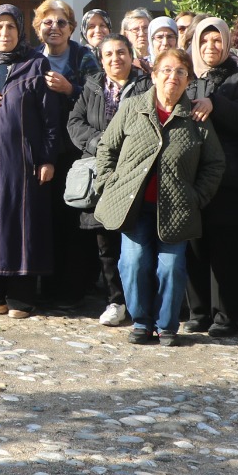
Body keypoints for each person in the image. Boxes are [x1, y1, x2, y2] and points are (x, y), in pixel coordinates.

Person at [94, 46, 225, 345]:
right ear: (153, 76)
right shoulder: (132, 107)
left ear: (188, 80)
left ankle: (166, 326)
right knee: (134, 261)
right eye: (165, 70)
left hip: (176, 208)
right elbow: (106, 149)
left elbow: (215, 163)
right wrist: (108, 185)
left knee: (171, 267)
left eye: (180, 72)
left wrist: (196, 197)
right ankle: (141, 321)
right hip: (134, 206)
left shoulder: (196, 116)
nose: (172, 77)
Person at [0, 5, 66, 318]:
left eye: (10, 27)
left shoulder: (36, 64)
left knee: (20, 224)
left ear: (19, 31)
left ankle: (21, 295)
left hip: (22, 163)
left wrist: (47, 158)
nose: (4, 34)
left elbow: (51, 118)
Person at [183, 18, 238, 337]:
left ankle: (226, 317)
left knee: (225, 250)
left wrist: (215, 104)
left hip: (228, 178)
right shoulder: (187, 77)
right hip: (191, 175)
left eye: (217, 41)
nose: (210, 47)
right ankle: (198, 312)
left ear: (228, 43)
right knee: (194, 247)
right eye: (204, 41)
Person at [70, 34, 151, 327]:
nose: (115, 59)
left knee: (136, 242)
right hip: (101, 173)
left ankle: (139, 302)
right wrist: (99, 143)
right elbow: (75, 123)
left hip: (135, 173)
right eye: (109, 55)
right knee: (104, 243)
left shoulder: (147, 86)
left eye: (121, 53)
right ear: (101, 60)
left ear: (131, 56)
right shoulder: (92, 87)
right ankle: (115, 300)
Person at [32, 0, 99, 308]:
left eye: (61, 22)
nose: (54, 27)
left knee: (73, 218)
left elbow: (97, 96)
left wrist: (70, 90)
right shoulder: (32, 58)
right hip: (41, 151)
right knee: (46, 220)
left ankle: (73, 287)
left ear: (72, 28)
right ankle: (46, 285)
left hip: (74, 151)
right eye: (48, 22)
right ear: (38, 27)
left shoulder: (84, 57)